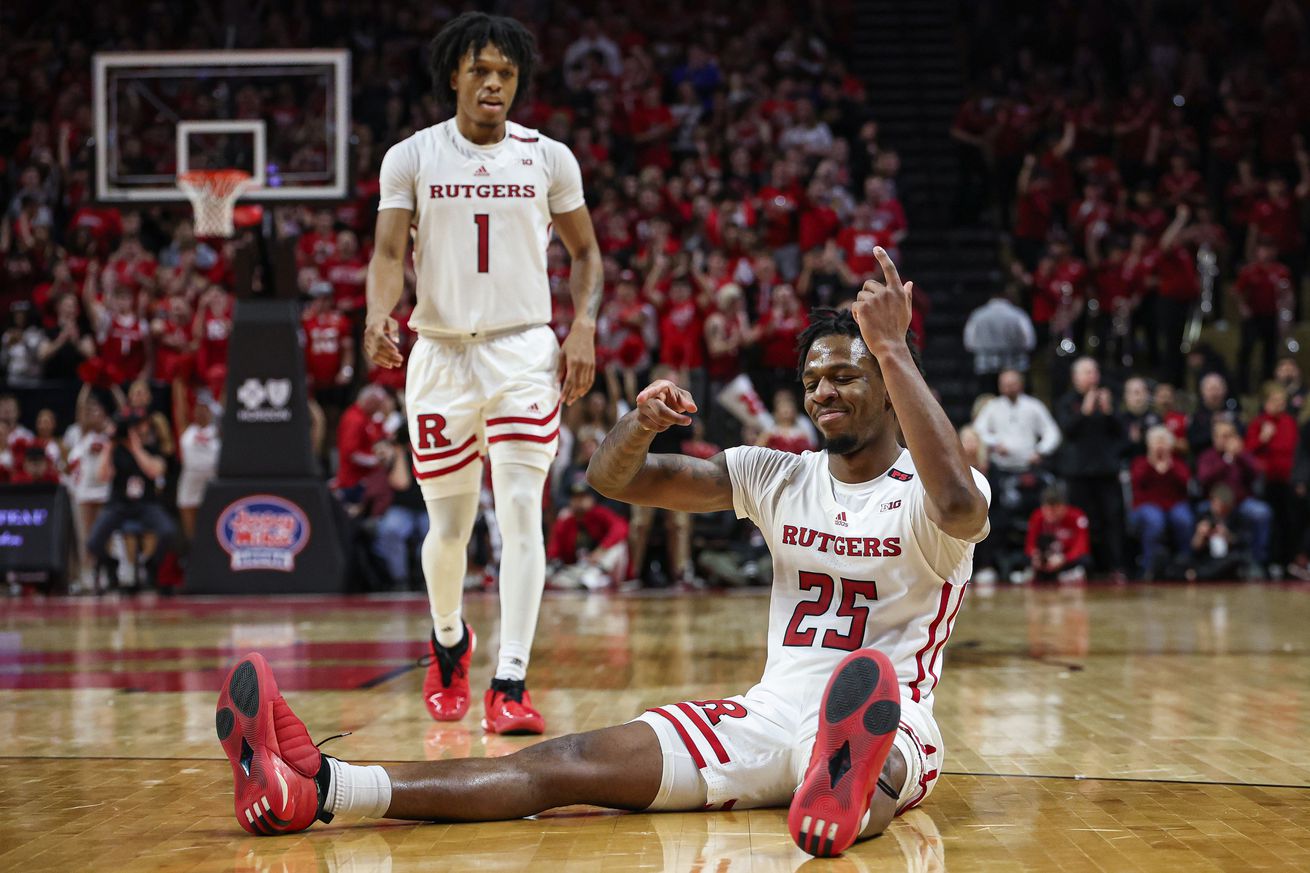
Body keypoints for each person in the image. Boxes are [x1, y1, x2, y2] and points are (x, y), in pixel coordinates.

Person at [213, 249, 990, 859]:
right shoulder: (778, 473)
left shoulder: (941, 489)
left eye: (847, 373)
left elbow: (956, 504)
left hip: (898, 721)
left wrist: (892, 344)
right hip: (766, 716)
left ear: (890, 384)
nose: (822, 390)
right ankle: (318, 787)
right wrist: (639, 422)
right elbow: (613, 479)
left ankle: (846, 788)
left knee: (882, 760)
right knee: (563, 764)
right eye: (812, 377)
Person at [361, 12, 602, 735]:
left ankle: (512, 680)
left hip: (524, 349)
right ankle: (447, 641)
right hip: (438, 353)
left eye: (506, 72)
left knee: (523, 516)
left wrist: (582, 324)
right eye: (480, 70)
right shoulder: (411, 157)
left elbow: (586, 253)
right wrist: (378, 313)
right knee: (450, 527)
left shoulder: (550, 158)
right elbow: (384, 254)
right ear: (455, 77)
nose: (494, 83)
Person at [1054, 358, 1126, 578]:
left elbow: (1123, 433)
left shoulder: (1109, 400)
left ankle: (1115, 566)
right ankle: (1082, 565)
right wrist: (1084, 411)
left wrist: (1109, 411)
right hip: (1078, 472)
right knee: (1082, 520)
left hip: (1106, 471)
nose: (1092, 376)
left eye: (1094, 372)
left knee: (1112, 520)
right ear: (1075, 377)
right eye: (1086, 372)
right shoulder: (1067, 402)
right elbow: (1067, 430)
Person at [1128, 427, 1193, 579]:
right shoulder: (1140, 462)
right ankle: (1149, 566)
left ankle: (1185, 563)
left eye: (1163, 442)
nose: (1160, 446)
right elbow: (1136, 482)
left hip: (1174, 504)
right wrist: (1151, 464)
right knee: (1154, 521)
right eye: (1156, 442)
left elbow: (1185, 483)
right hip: (1146, 505)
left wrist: (1170, 467)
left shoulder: (1178, 464)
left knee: (1184, 519)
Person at [545, 480, 630, 591]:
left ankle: (594, 578)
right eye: (575, 497)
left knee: (619, 546)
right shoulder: (565, 520)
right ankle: (586, 582)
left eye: (583, 497)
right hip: (578, 570)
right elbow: (553, 551)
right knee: (549, 574)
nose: (579, 501)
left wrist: (601, 549)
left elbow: (621, 528)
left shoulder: (601, 514)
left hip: (602, 568)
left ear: (591, 499)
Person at [961, 288, 1037, 395]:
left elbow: (969, 343)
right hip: (1014, 365)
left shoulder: (977, 315)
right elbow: (1029, 342)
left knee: (988, 400)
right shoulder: (1018, 314)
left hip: (986, 366)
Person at [1024, 481, 1091, 583]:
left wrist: (1064, 558)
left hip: (1065, 558)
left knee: (1086, 560)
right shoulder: (1037, 516)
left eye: (1055, 509)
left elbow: (1082, 546)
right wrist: (1035, 555)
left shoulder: (1077, 516)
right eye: (1047, 509)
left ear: (1064, 506)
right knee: (1023, 559)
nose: (1050, 513)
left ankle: (1068, 574)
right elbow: (1030, 544)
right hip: (1046, 557)